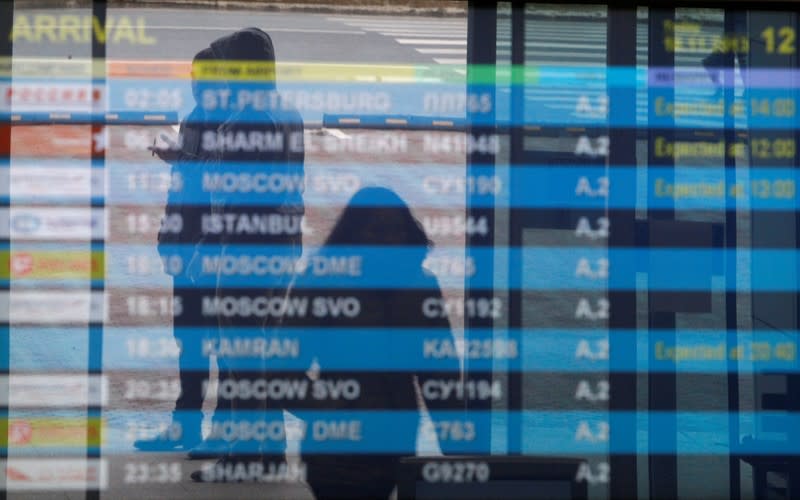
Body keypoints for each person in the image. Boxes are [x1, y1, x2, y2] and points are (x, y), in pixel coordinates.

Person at [284, 187, 459, 499]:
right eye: (378, 230)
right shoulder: (420, 287)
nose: (388, 239)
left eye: (393, 230)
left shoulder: (319, 282)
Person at [189, 27, 306, 480]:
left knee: (241, 354)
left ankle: (244, 455)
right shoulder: (286, 112)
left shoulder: (246, 120)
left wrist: (210, 248)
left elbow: (240, 198)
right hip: (282, 246)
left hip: (245, 252)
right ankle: (270, 451)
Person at [134, 47, 230, 454]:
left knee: (219, 343)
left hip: (210, 250)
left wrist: (181, 158)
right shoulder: (193, 118)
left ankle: (220, 430)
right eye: (193, 74)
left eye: (202, 75)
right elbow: (183, 188)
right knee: (190, 341)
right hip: (187, 246)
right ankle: (187, 423)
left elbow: (214, 180)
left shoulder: (228, 124)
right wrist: (167, 234)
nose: (195, 81)